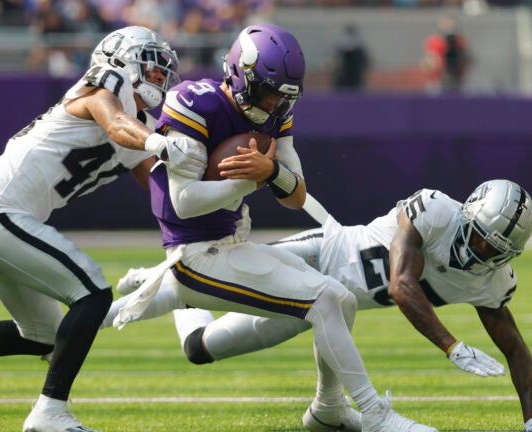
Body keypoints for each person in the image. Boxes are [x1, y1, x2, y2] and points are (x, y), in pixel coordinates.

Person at [110, 23, 436, 432]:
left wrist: (272, 172)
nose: (271, 103)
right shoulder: (196, 102)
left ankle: (330, 410)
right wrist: (250, 181)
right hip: (197, 252)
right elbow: (185, 202)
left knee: (342, 297)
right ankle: (373, 414)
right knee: (326, 300)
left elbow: (295, 195)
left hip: (230, 243)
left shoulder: (276, 112)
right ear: (238, 72)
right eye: (265, 91)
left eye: (282, 95)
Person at [0, 26, 203, 432]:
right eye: (153, 67)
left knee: (43, 335)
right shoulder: (106, 84)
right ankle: (50, 413)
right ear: (122, 58)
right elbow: (115, 122)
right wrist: (161, 143)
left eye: (164, 73)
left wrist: (215, 188)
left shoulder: (136, 125)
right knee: (91, 294)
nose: (160, 78)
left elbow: (162, 188)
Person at [112, 180, 532, 432]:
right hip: (318, 256)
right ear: (467, 214)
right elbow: (401, 285)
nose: (479, 251)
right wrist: (451, 345)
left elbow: (515, 347)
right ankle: (101, 310)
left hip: (326, 307)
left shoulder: (492, 280)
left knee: (199, 348)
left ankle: (326, 412)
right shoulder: (435, 209)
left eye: (492, 248)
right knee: (195, 286)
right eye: (478, 236)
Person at [331, 23, 370, 89]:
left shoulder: (358, 49)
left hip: (355, 78)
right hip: (344, 78)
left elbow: (365, 63)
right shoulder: (341, 49)